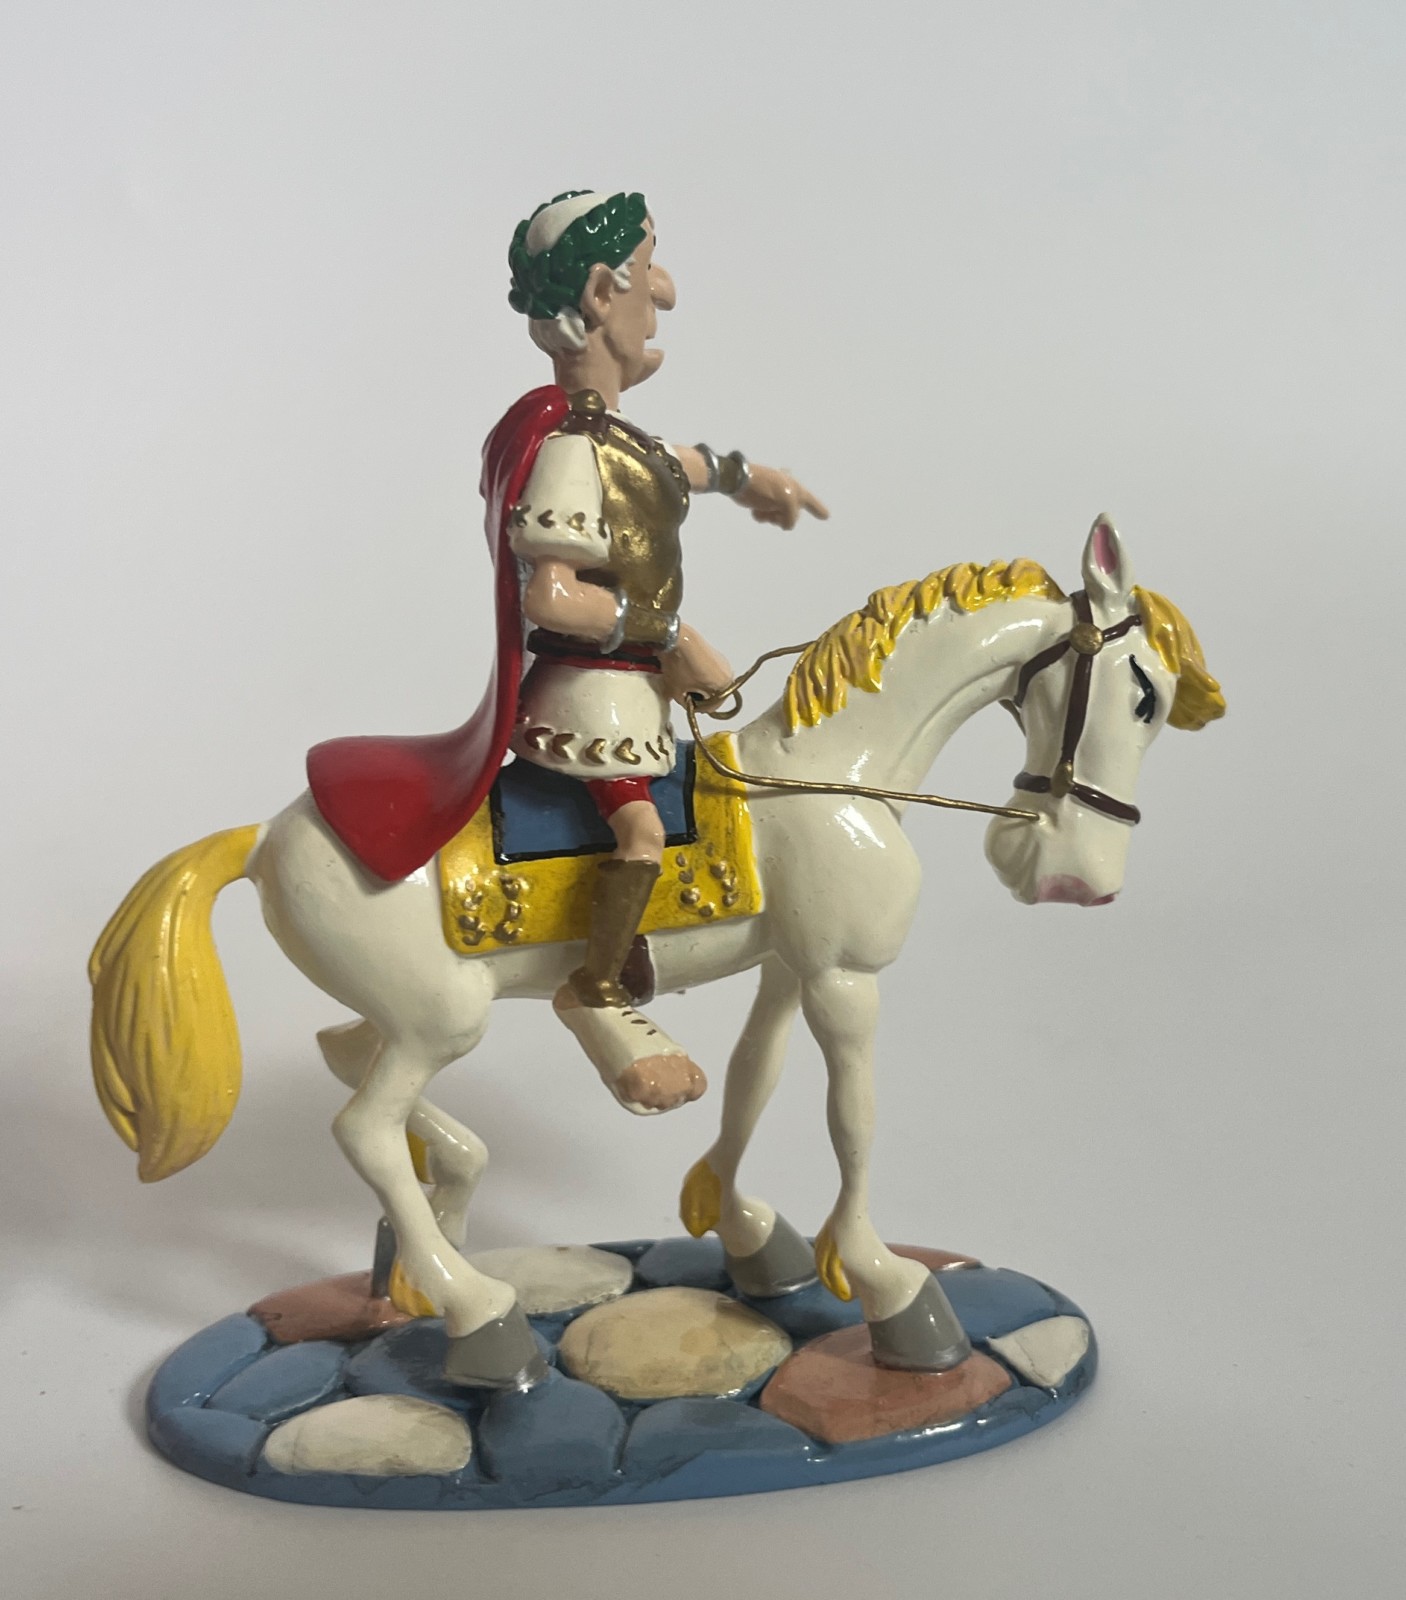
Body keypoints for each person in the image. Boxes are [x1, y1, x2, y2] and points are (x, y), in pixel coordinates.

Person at [307, 189, 827, 1116]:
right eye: (648, 269)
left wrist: (754, 478)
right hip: (591, 700)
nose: (664, 290)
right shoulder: (569, 454)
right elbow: (549, 594)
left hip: (632, 692)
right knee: (639, 833)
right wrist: (671, 637)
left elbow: (681, 466)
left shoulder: (616, 442)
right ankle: (598, 991)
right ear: (599, 293)